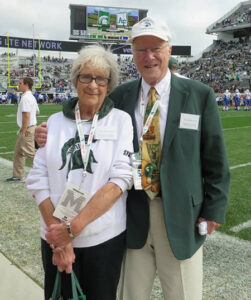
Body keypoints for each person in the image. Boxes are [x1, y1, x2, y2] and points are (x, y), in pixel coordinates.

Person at [35, 17, 230, 300]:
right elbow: (83, 109)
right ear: (133, 54)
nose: (148, 57)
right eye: (140, 49)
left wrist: (214, 209)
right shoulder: (121, 94)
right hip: (133, 212)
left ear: (169, 49)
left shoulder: (198, 95)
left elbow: (215, 157)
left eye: (156, 48)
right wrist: (42, 132)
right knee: (130, 294)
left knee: (183, 294)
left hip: (180, 214)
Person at [26, 45, 133, 300]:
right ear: (75, 80)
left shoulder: (121, 121)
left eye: (100, 79)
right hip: (54, 239)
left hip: (103, 240)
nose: (93, 85)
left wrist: (71, 230)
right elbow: (37, 179)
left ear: (109, 85)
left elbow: (120, 180)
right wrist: (60, 237)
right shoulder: (54, 122)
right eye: (86, 77)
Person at [6, 77, 39, 182]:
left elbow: (26, 115)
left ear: (26, 85)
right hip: (29, 127)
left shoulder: (26, 98)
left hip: (27, 129)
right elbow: (37, 112)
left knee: (31, 154)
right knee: (18, 153)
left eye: (20, 83)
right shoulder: (30, 97)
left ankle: (49, 173)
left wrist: (24, 130)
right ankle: (18, 175)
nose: (18, 85)